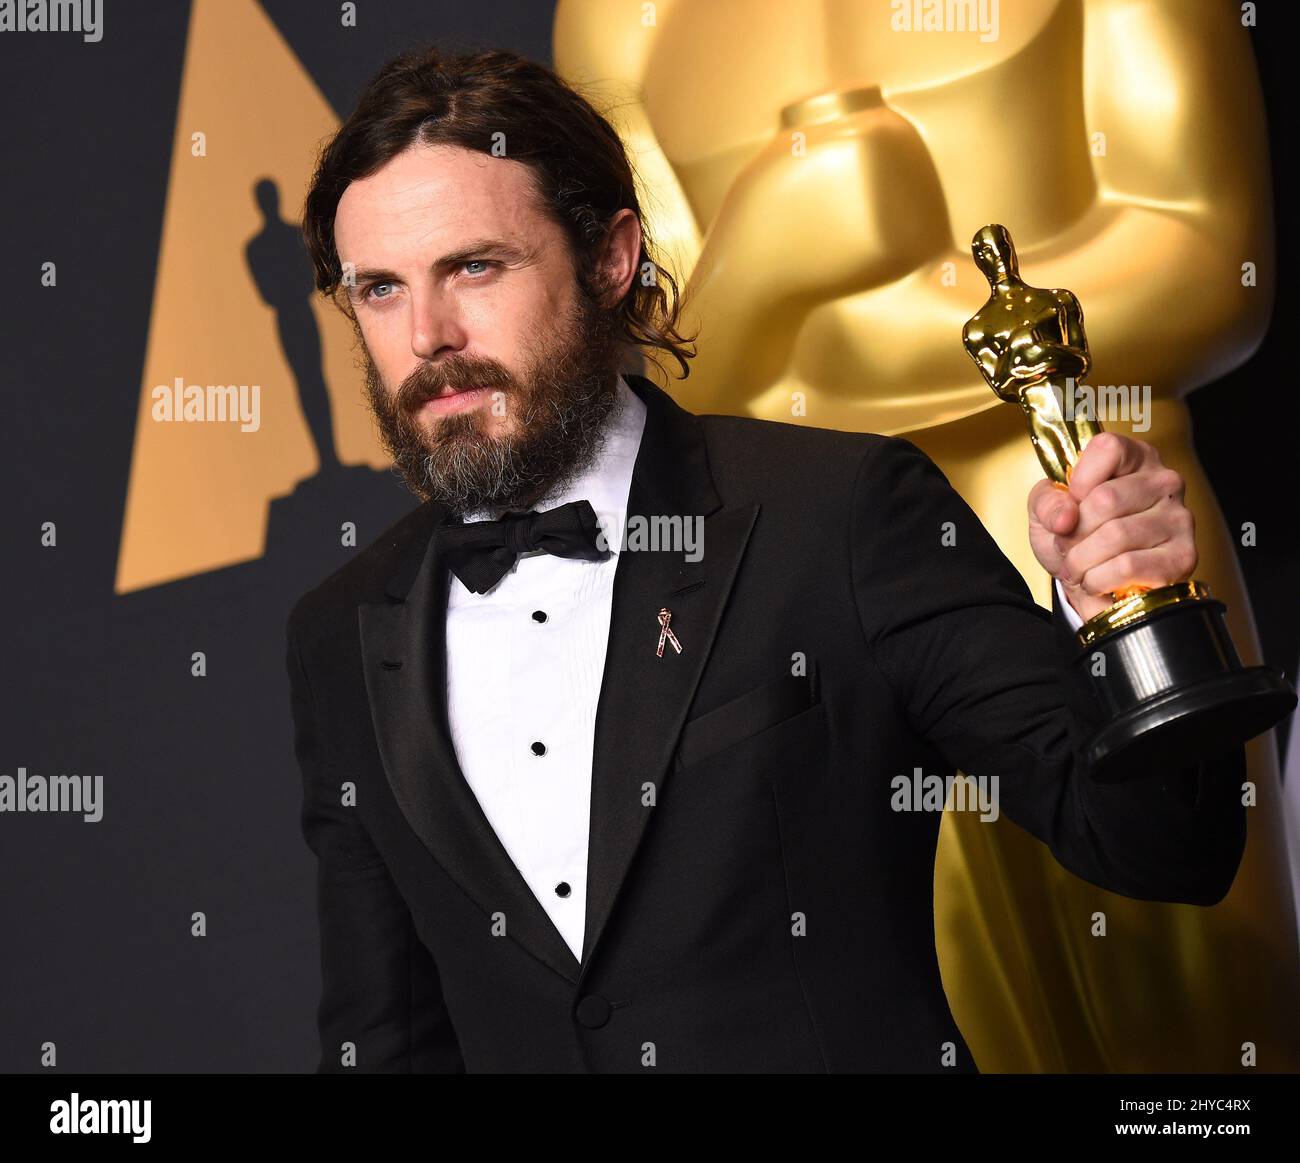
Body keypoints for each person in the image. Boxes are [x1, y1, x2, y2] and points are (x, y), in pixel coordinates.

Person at [285, 46, 1244, 1073]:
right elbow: (385, 1036)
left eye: (474, 266)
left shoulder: (838, 513)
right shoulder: (340, 628)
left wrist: (1136, 610)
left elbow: (1158, 846)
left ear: (611, 259)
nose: (427, 334)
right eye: (378, 289)